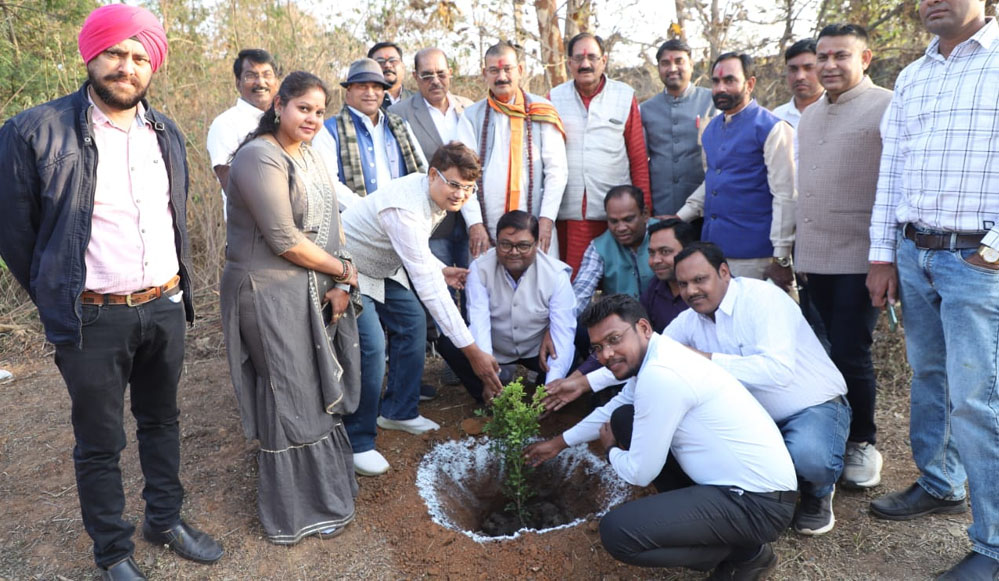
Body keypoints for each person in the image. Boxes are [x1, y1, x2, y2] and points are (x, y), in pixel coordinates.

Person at [0, 5, 223, 579]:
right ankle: (113, 553)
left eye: (140, 57)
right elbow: (17, 235)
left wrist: (173, 295)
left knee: (162, 420)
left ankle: (164, 520)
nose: (128, 66)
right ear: (91, 55)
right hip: (93, 317)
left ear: (153, 65)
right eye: (115, 53)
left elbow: (173, 214)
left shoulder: (165, 131)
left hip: (163, 305)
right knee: (100, 441)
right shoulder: (32, 131)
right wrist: (60, 295)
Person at [525, 294, 797, 579]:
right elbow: (616, 407)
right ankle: (730, 538)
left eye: (614, 339)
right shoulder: (660, 354)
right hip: (741, 486)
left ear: (643, 328)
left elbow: (640, 473)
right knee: (624, 419)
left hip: (757, 503)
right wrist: (558, 443)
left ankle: (744, 553)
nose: (605, 355)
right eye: (597, 348)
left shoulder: (661, 374)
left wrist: (610, 450)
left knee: (618, 533)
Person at [866, 1, 999, 577]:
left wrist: (993, 249)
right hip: (914, 251)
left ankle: (993, 545)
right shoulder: (912, 76)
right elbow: (892, 169)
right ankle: (942, 482)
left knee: (976, 401)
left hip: (977, 259)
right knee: (930, 377)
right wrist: (882, 253)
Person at [221, 71, 360, 545]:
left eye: (320, 111)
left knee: (312, 386)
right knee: (288, 389)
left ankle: (325, 493)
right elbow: (283, 238)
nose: (313, 118)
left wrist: (341, 281)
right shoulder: (259, 156)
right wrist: (344, 272)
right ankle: (297, 511)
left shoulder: (309, 153)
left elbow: (333, 226)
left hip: (308, 287)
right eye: (304, 108)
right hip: (266, 293)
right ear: (279, 104)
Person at [341, 142, 503, 476]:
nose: (460, 194)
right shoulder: (405, 207)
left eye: (469, 188)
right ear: (433, 175)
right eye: (454, 184)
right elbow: (429, 289)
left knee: (413, 322)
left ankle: (399, 412)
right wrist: (472, 351)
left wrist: (440, 269)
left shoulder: (431, 195)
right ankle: (358, 441)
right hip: (350, 269)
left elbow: (412, 249)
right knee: (372, 346)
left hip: (383, 268)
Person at [668, 242, 850, 536]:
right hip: (753, 419)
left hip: (810, 407)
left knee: (810, 458)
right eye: (683, 284)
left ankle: (818, 490)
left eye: (700, 279)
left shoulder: (763, 299)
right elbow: (654, 356)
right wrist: (592, 384)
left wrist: (705, 359)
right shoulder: (689, 320)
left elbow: (777, 371)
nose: (691, 291)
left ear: (724, 272)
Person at [795, 23, 892, 490]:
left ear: (865, 58)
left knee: (852, 353)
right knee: (820, 355)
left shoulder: (887, 106)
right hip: (813, 258)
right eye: (823, 56)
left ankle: (862, 442)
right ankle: (829, 436)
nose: (829, 65)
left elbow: (894, 185)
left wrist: (885, 259)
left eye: (841, 56)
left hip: (861, 257)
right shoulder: (810, 114)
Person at [544, 219, 695, 411]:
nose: (656, 260)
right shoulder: (656, 288)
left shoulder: (702, 300)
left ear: (688, 251)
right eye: (651, 253)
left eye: (665, 252)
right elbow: (621, 342)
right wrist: (574, 379)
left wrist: (583, 383)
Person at [676, 53, 796, 285]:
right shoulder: (711, 129)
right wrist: (680, 216)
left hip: (756, 256)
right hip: (713, 252)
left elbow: (786, 195)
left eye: (729, 80)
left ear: (749, 84)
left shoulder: (772, 128)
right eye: (716, 81)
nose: (720, 88)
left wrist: (781, 257)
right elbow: (714, 181)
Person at [437, 210, 575, 402]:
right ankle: (488, 398)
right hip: (496, 347)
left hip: (537, 349)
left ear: (536, 244)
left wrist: (551, 388)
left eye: (523, 245)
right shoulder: (479, 268)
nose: (514, 252)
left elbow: (563, 334)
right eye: (506, 244)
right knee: (450, 343)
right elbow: (479, 323)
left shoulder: (556, 274)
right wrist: (487, 375)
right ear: (496, 242)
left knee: (574, 348)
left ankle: (544, 394)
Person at [549, 33, 651, 275]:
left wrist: (645, 209)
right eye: (578, 58)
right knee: (575, 281)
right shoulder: (553, 98)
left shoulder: (624, 96)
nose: (585, 64)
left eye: (592, 57)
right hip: (571, 213)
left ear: (604, 61)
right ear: (569, 63)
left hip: (618, 215)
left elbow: (638, 158)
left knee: (621, 280)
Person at [457, 41, 568, 257]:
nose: (502, 77)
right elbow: (463, 176)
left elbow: (557, 171)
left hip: (537, 220)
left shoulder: (542, 111)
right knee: (487, 276)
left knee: (540, 275)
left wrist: (547, 219)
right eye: (494, 70)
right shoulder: (471, 117)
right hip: (487, 225)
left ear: (520, 70)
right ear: (484, 74)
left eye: (507, 69)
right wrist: (475, 223)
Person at [390, 47, 475, 313]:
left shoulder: (469, 108)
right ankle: (443, 337)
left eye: (441, 73)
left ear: (450, 72)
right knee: (438, 288)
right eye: (427, 75)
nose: (435, 81)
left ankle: (474, 334)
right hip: (431, 220)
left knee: (474, 284)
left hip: (470, 216)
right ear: (415, 77)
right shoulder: (399, 113)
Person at [321, 58, 427, 198]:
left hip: (403, 210)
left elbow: (422, 173)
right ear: (349, 91)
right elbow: (328, 183)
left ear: (383, 92)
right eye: (362, 86)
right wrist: (365, 209)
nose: (370, 93)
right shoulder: (329, 130)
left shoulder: (400, 126)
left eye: (376, 87)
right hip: (352, 211)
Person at [640, 38, 716, 216]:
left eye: (679, 61)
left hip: (704, 209)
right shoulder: (645, 110)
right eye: (665, 63)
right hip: (661, 208)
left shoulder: (713, 102)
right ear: (659, 68)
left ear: (691, 65)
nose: (672, 68)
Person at [205, 48, 278, 218]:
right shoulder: (225, 124)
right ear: (238, 83)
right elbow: (230, 183)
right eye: (251, 76)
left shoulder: (285, 120)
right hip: (248, 227)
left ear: (276, 81)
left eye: (267, 75)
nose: (260, 82)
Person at [572, 185, 656, 316]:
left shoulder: (666, 234)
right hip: (622, 321)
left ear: (645, 214)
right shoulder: (599, 247)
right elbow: (581, 293)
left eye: (628, 219)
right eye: (613, 221)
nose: (621, 228)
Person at [771, 39, 822, 128]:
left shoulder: (838, 111)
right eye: (793, 69)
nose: (799, 77)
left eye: (808, 68)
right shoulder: (776, 117)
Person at [368, 41, 415, 110]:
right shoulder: (364, 102)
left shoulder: (419, 101)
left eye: (393, 60)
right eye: (380, 62)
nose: (387, 65)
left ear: (403, 66)